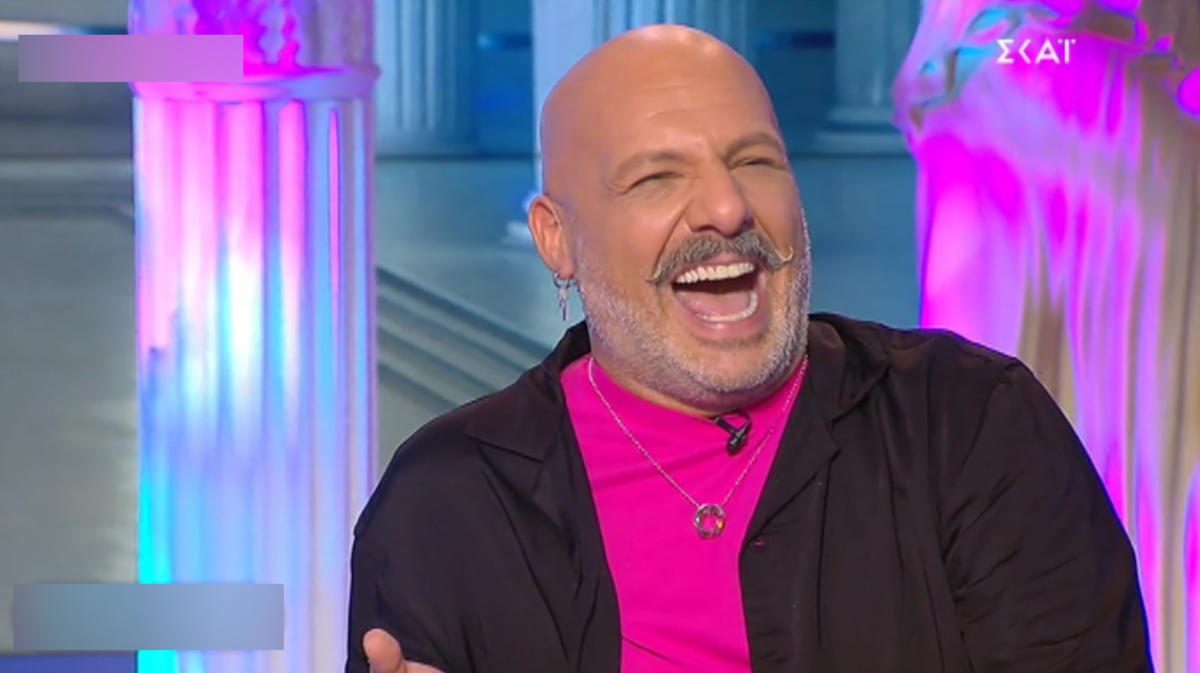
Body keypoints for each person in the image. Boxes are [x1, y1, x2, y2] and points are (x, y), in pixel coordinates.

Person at [346, 24, 1151, 673]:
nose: (728, 208)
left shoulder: (971, 427)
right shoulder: (446, 502)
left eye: (755, 161)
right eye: (657, 177)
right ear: (557, 239)